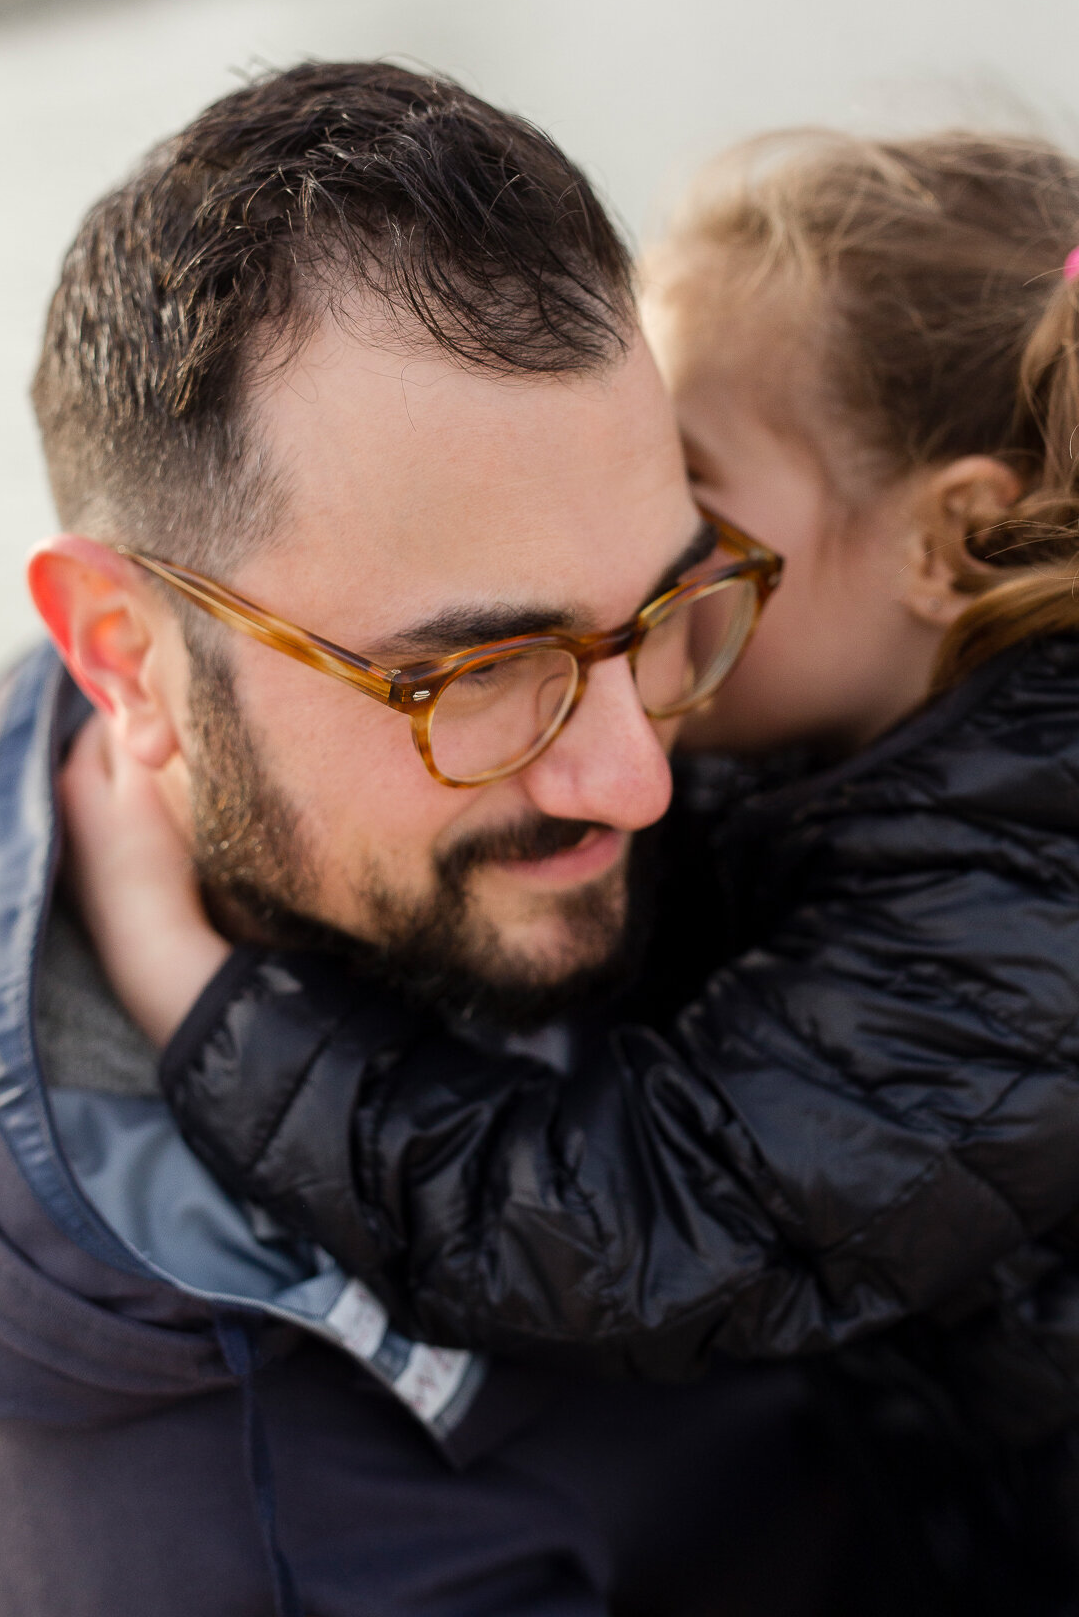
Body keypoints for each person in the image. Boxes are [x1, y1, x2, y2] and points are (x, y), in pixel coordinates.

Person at [65, 128, 1079, 1614]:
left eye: (692, 499)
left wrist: (194, 986)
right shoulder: (935, 756)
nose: (644, 557)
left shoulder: (1026, 906)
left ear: (956, 539)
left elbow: (630, 1233)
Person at [0, 64, 849, 1617]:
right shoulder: (247, 1549)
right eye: (477, 676)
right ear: (124, 659)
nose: (636, 781)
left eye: (661, 611)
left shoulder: (253, 682)